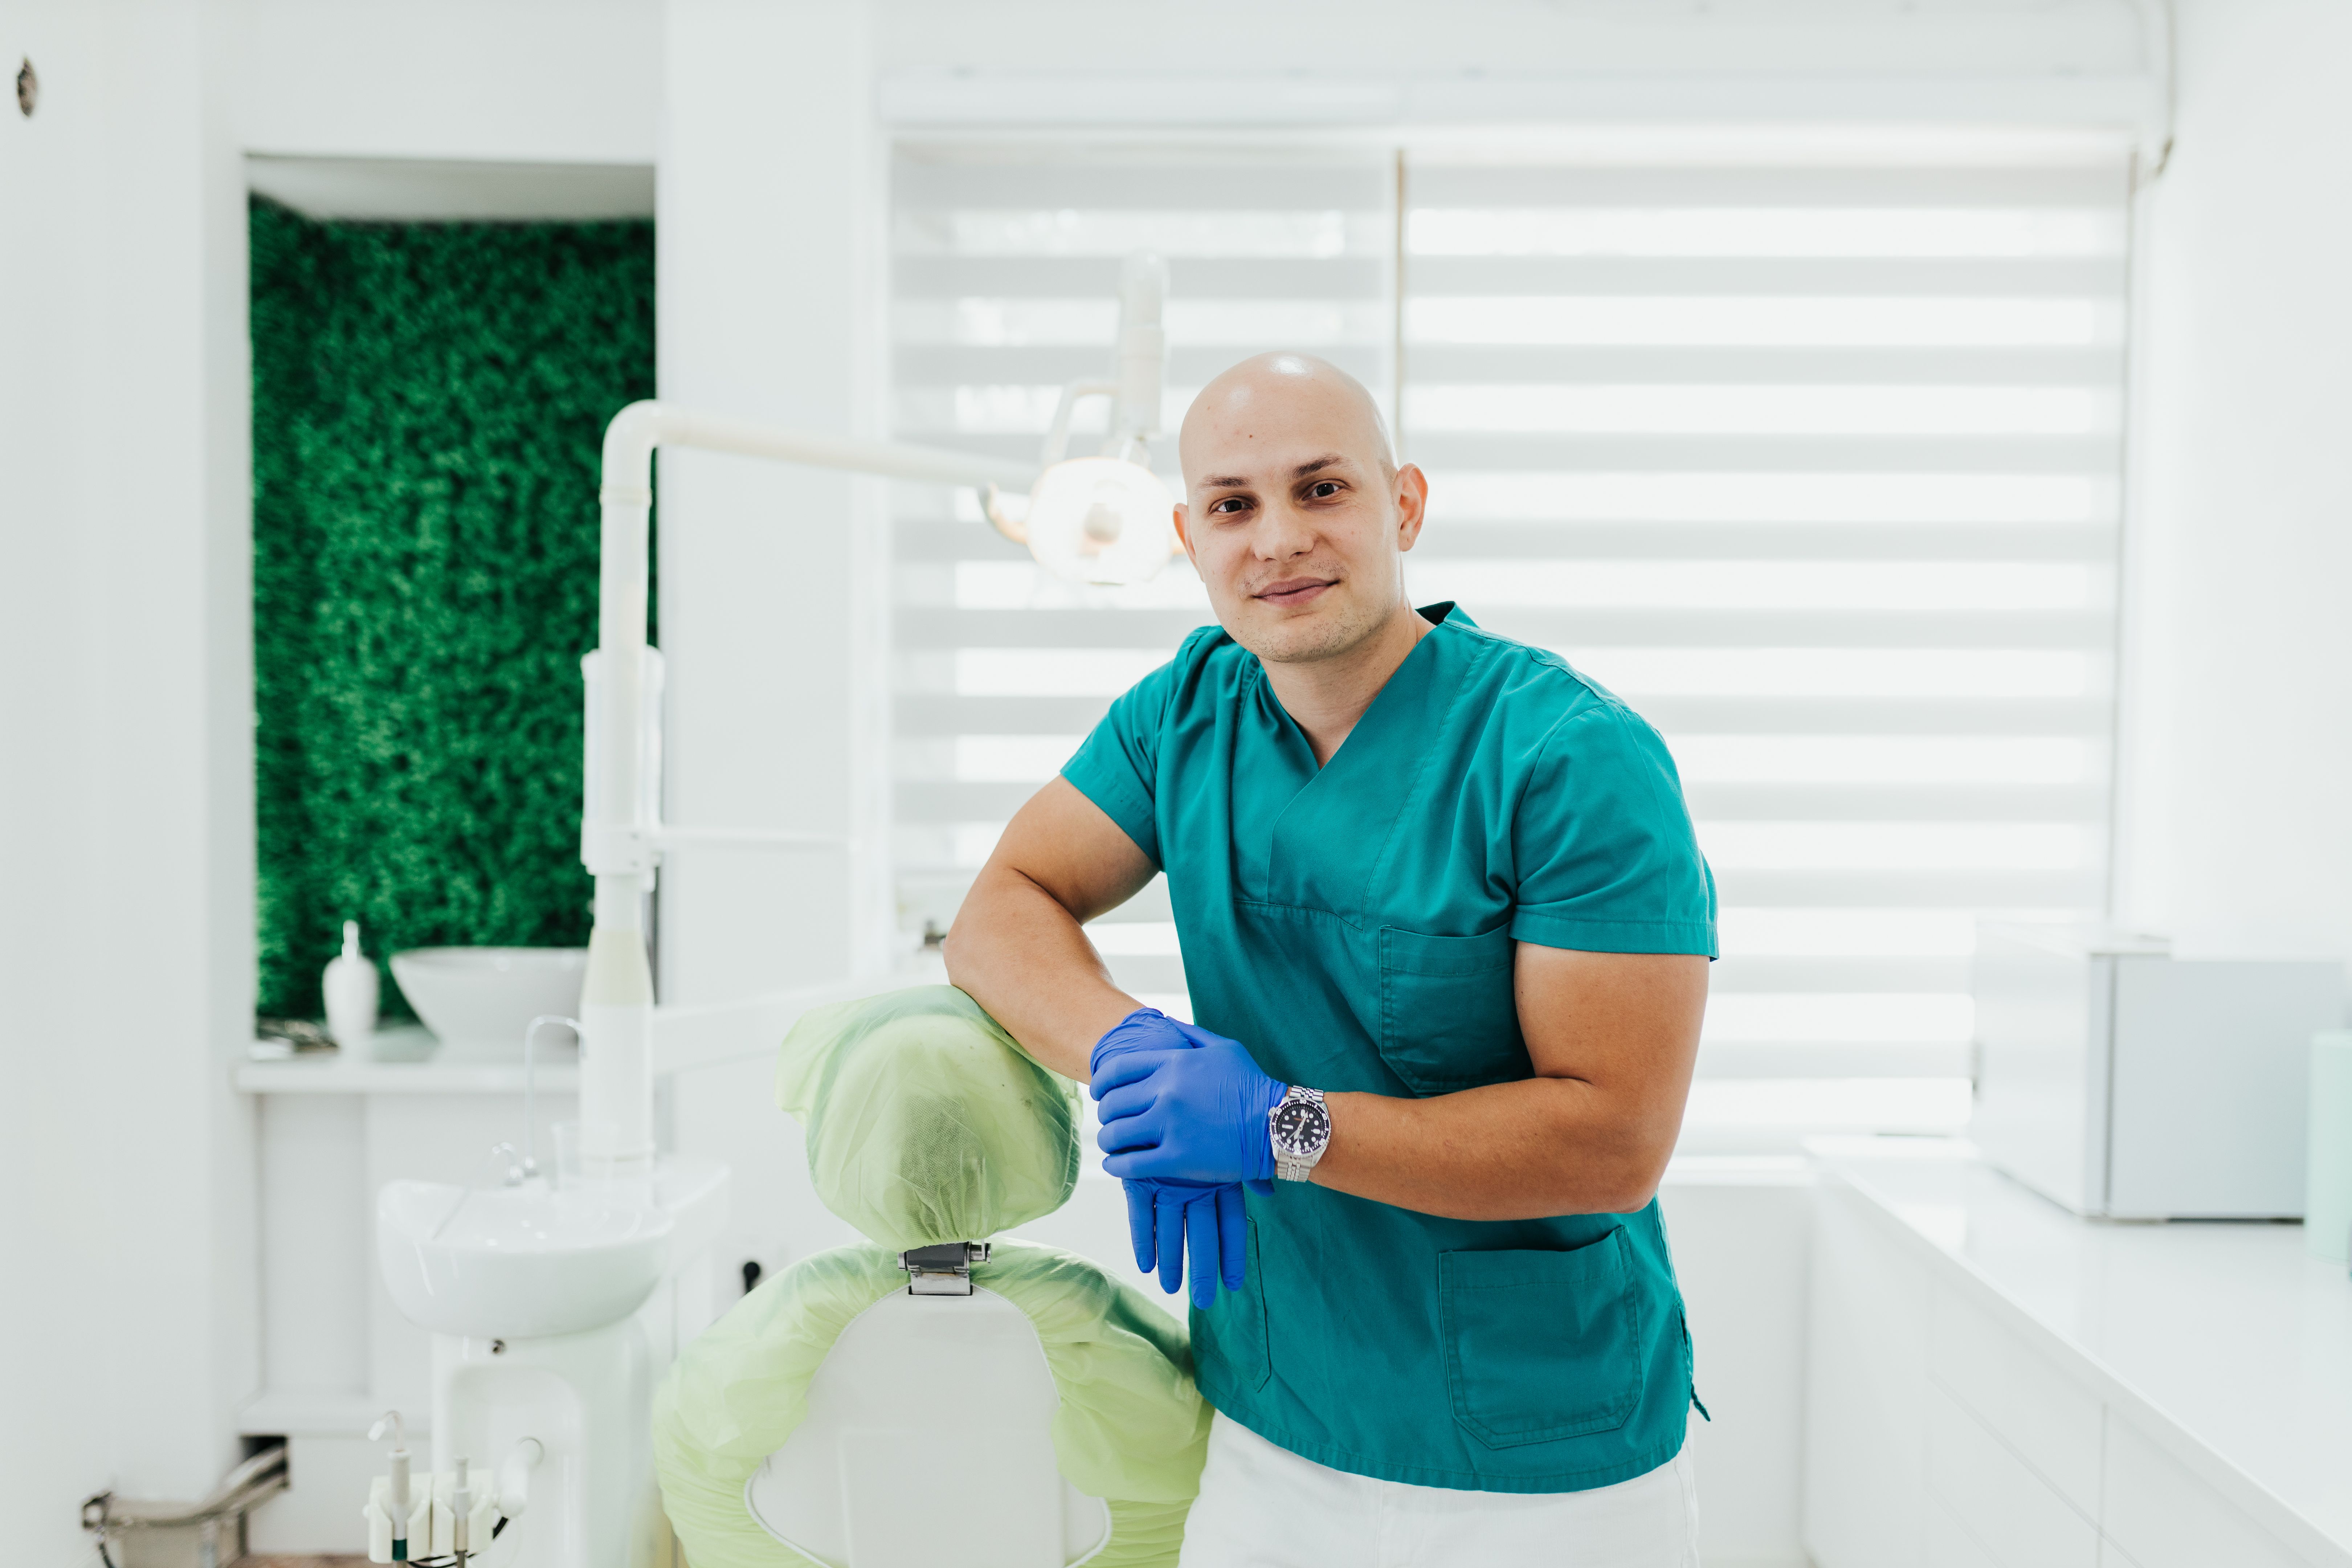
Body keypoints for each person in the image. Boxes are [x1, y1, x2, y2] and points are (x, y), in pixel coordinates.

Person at [945, 351, 1714, 1565]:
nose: (1278, 540)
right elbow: (1000, 907)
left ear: (1404, 505)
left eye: (1323, 490)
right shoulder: (1185, 716)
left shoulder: (1569, 758)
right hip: (1272, 1410)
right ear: (1190, 536)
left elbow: (1613, 1139)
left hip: (1538, 1460)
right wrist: (1131, 1051)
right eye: (1235, 505)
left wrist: (1275, 1126)